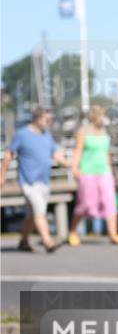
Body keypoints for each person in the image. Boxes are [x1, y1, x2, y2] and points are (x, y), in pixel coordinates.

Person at [0, 107, 71, 252]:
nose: (49, 122)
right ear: (37, 119)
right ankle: (48, 242)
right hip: (28, 181)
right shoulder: (22, 134)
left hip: (44, 181)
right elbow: (9, 154)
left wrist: (71, 165)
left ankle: (23, 241)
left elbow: (56, 154)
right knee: (40, 211)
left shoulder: (46, 135)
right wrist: (2, 174)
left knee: (32, 215)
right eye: (47, 119)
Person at [68, 105, 118, 246]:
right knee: (85, 203)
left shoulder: (105, 132)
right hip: (88, 171)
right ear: (94, 117)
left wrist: (110, 171)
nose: (104, 119)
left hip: (104, 172)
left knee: (109, 202)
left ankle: (113, 234)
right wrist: (74, 168)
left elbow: (107, 153)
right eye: (102, 115)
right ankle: (73, 231)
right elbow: (78, 151)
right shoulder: (83, 132)